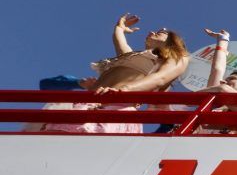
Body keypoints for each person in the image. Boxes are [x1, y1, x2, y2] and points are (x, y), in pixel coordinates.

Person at [40, 14, 189, 133]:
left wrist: (123, 90)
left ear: (172, 42)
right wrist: (119, 28)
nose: (151, 32)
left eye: (160, 33)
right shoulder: (133, 57)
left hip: (117, 107)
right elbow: (120, 44)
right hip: (85, 105)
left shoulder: (178, 57)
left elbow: (160, 78)